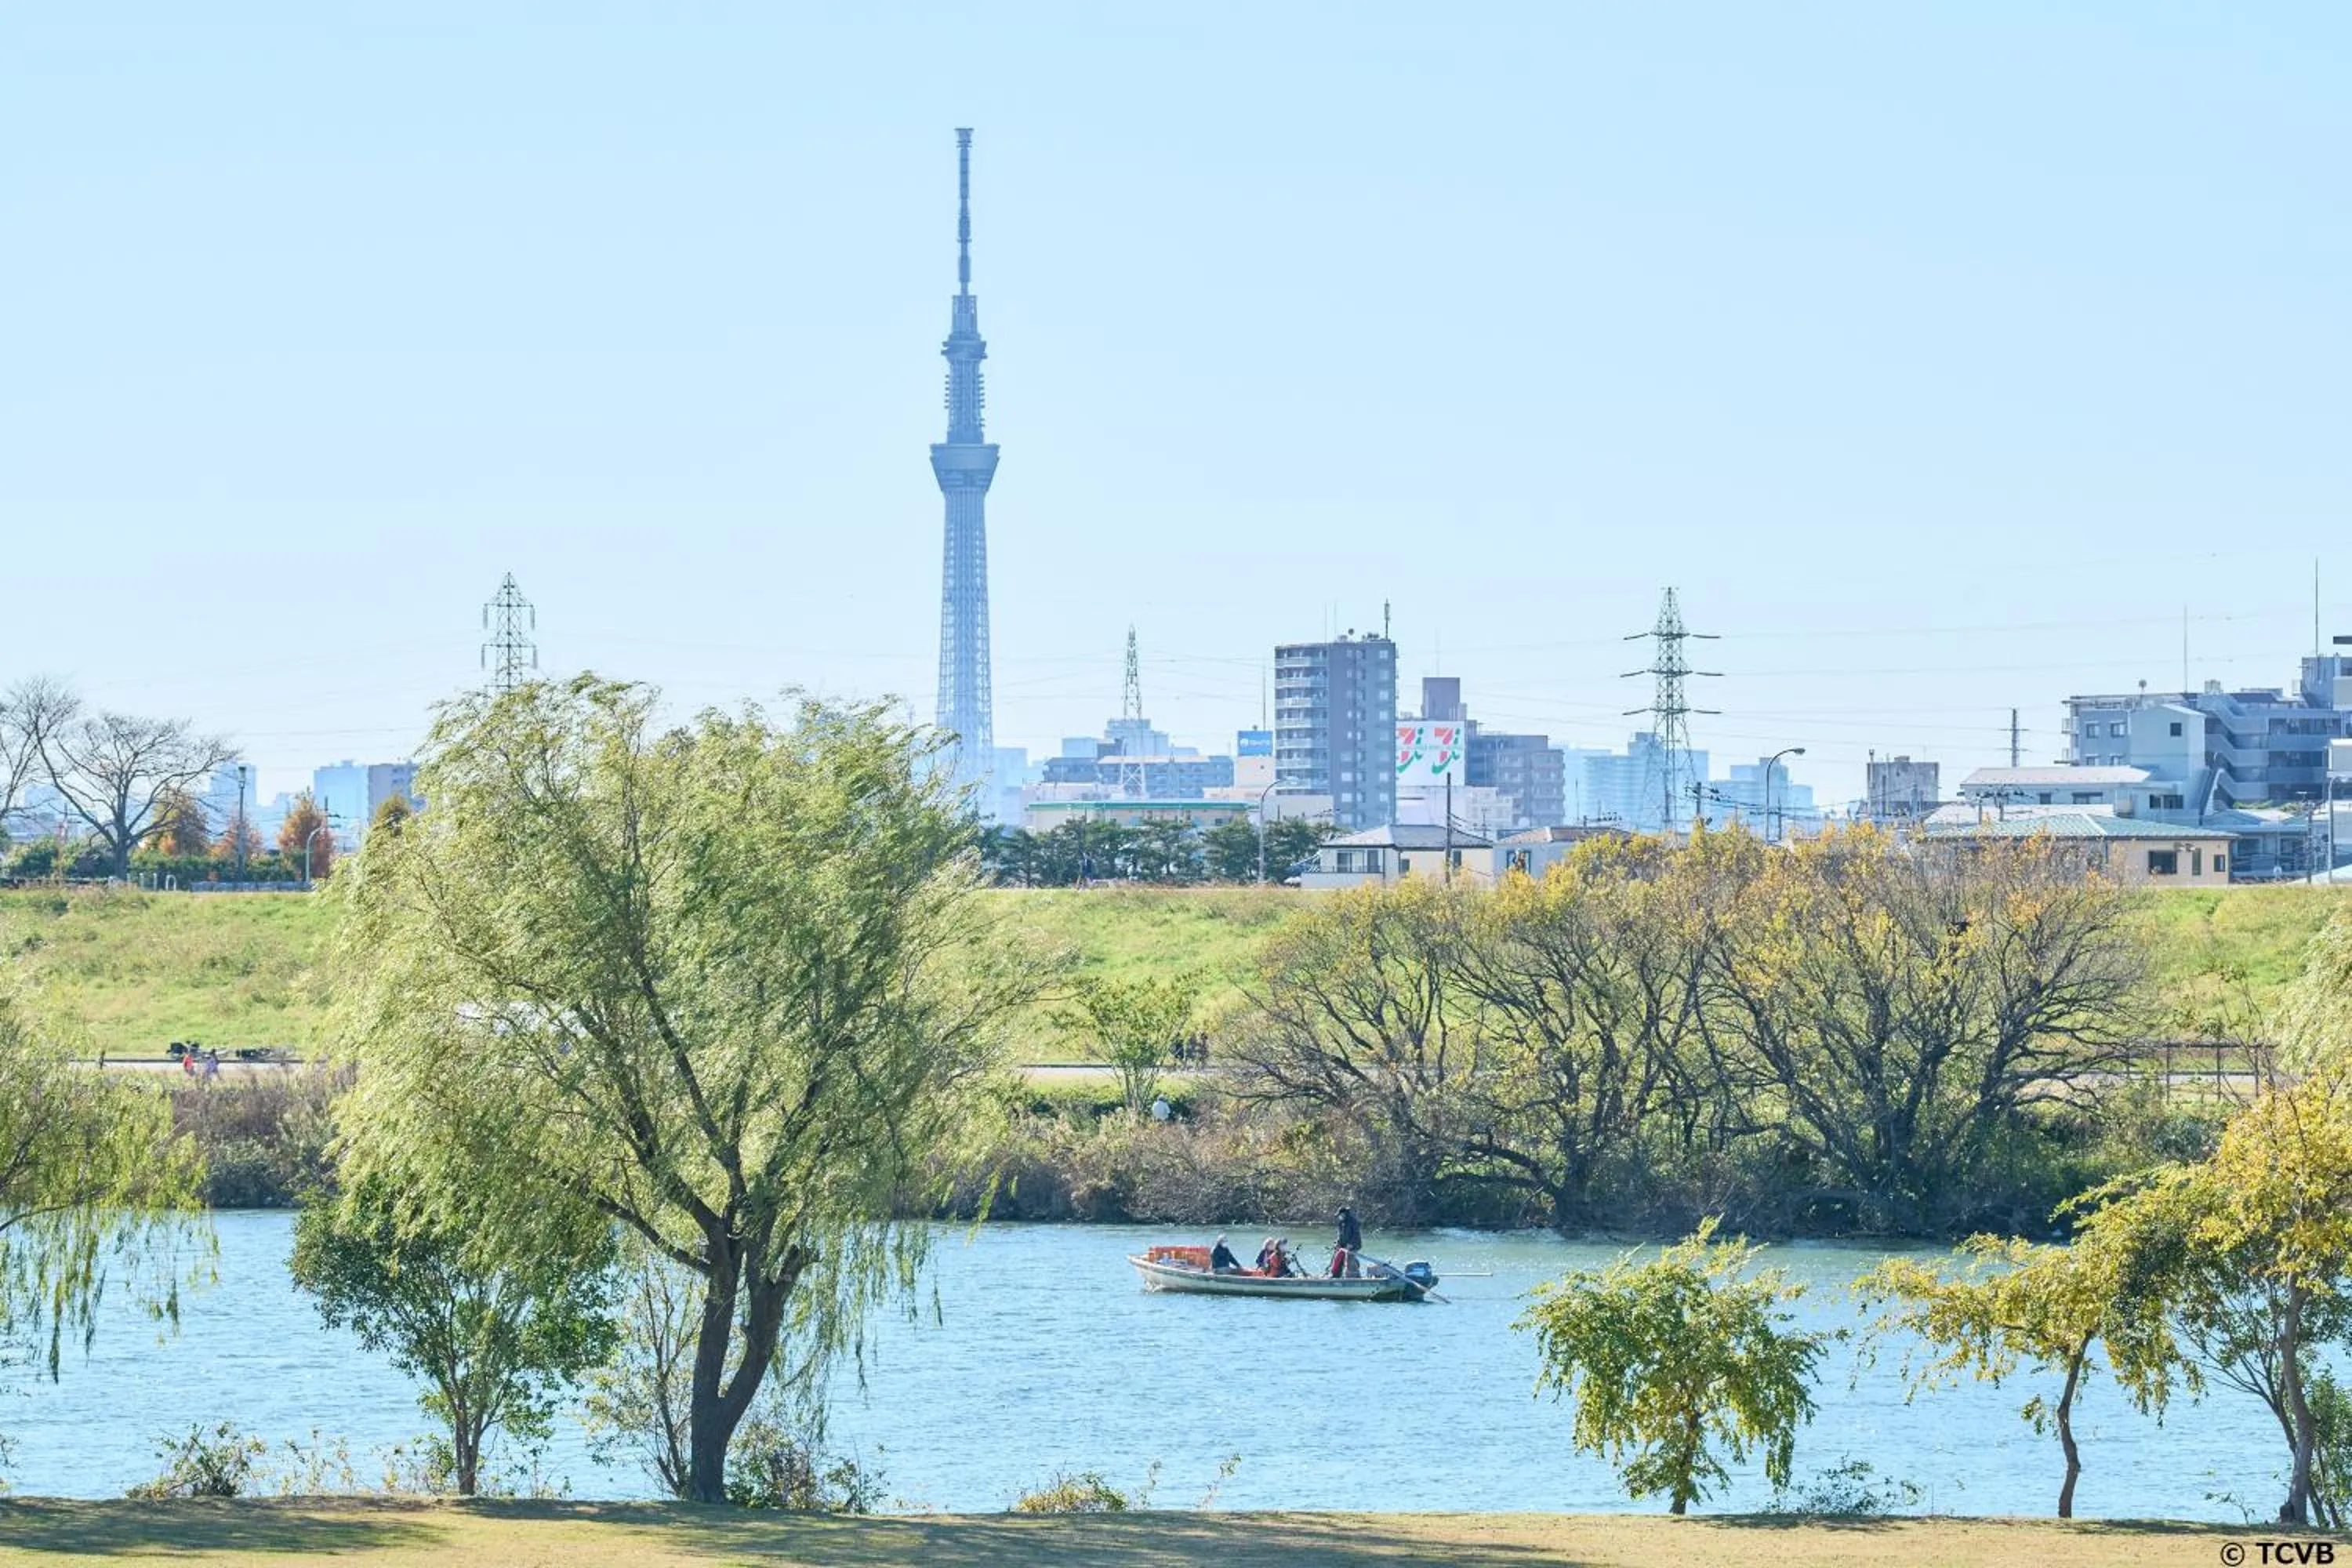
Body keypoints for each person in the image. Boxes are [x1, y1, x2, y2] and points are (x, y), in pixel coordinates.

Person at [1330, 1205, 1363, 1278]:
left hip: (1354, 1245)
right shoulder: (1341, 1223)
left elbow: (1356, 1235)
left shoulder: (1353, 1222)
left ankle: (1355, 1278)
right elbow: (1340, 1235)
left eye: (1340, 1215)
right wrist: (1337, 1243)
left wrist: (1351, 1244)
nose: (1339, 1217)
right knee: (1338, 1259)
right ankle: (1336, 1276)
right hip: (1344, 1246)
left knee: (1349, 1260)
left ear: (1344, 1214)